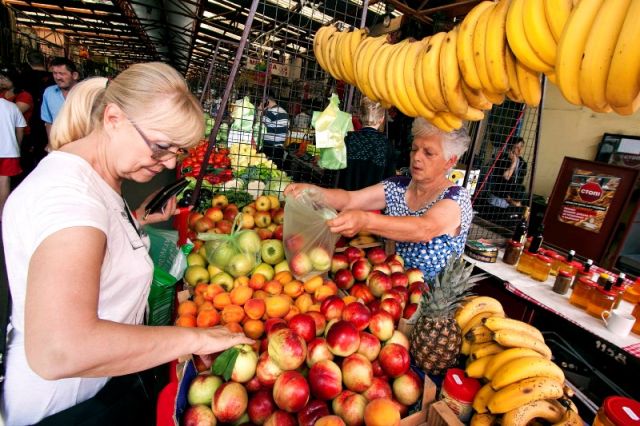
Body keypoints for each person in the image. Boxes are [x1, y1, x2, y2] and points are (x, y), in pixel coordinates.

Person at [1, 63, 252, 425]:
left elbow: (92, 246)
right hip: (66, 409)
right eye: (161, 147)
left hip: (97, 390)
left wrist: (133, 222)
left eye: (177, 152)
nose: (168, 162)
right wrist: (192, 339)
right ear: (114, 118)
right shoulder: (69, 200)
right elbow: (59, 351)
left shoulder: (95, 177)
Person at [285, 117, 473, 280]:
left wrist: (365, 220)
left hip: (427, 304)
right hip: (387, 290)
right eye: (414, 149)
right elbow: (350, 199)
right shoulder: (397, 187)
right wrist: (313, 192)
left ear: (450, 161)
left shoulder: (457, 198)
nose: (416, 158)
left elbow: (423, 229)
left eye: (428, 153)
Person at [337, 97, 396, 191]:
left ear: (360, 116)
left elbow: (336, 170)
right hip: (372, 204)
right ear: (382, 119)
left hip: (346, 201)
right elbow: (390, 181)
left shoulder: (349, 139)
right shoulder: (387, 145)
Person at [476, 137, 528, 228]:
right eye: (516, 147)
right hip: (497, 199)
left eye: (521, 147)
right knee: (488, 225)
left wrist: (514, 198)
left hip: (509, 201)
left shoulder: (523, 163)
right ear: (510, 147)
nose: (519, 150)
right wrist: (513, 163)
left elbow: (519, 180)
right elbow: (506, 176)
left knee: (500, 226)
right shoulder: (502, 159)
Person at [20, 51, 54, 172]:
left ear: (28, 62)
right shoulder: (52, 77)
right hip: (49, 119)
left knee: (29, 151)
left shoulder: (23, 77)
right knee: (45, 148)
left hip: (29, 119)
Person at [41, 56, 79, 139]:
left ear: (75, 75)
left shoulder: (86, 93)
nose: (58, 77)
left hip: (82, 144)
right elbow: (48, 121)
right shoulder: (49, 92)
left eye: (62, 74)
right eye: (55, 73)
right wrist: (51, 143)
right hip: (59, 143)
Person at [0, 98, 26, 218]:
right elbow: (20, 129)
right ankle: (2, 215)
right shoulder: (12, 106)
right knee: (4, 181)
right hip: (9, 150)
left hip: (8, 150)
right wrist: (17, 146)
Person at [259, 93, 289, 169]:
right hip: (279, 148)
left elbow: (259, 125)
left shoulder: (271, 112)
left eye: (263, 101)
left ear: (267, 101)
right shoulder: (283, 111)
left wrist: (260, 110)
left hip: (269, 147)